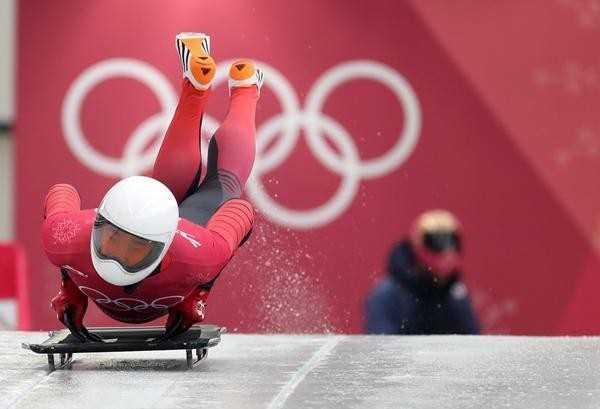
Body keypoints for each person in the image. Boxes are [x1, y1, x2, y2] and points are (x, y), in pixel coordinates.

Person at [42, 32, 263, 341]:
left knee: (218, 183)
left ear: (164, 249)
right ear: (97, 225)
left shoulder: (198, 251)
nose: (116, 257)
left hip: (187, 227)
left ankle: (242, 89)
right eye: (111, 239)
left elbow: (241, 212)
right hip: (166, 225)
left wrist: (202, 289)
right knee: (220, 184)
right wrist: (69, 286)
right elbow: (60, 193)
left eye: (134, 249)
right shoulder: (66, 237)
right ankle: (241, 86)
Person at [365, 210, 479, 335]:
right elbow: (382, 346)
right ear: (417, 244)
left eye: (452, 242)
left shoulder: (456, 293)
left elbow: (471, 341)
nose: (446, 251)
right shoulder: (387, 295)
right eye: (437, 242)